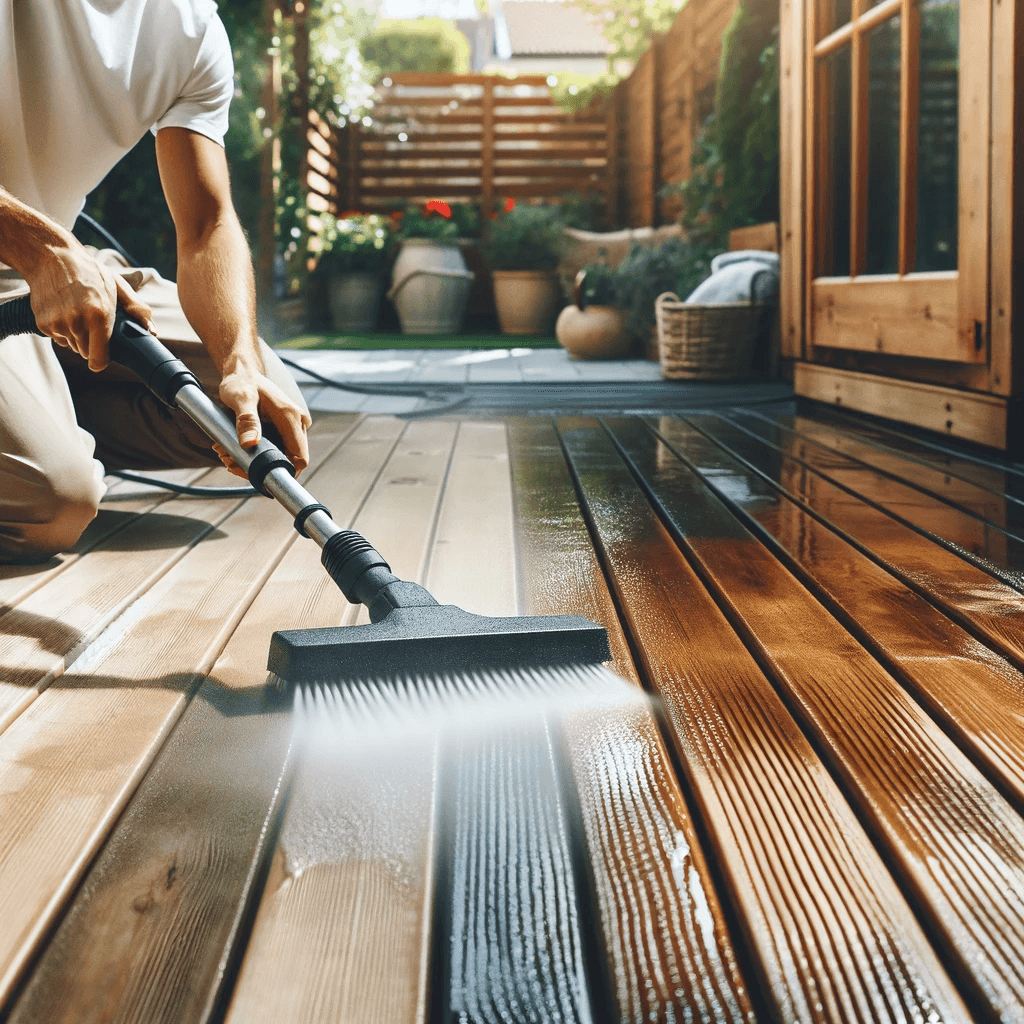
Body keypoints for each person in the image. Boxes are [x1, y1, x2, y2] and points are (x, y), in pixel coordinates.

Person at [0, 0, 312, 564]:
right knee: (51, 508)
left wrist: (240, 359)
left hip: (70, 273)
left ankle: (40, 417)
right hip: (36, 265)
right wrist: (43, 251)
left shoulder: (188, 27)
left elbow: (205, 225)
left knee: (258, 410)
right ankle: (37, 449)